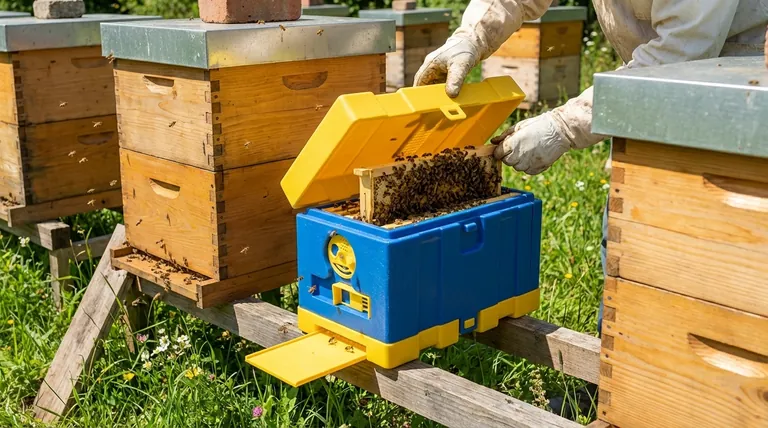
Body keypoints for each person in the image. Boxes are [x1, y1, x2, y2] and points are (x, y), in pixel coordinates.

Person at [414, 0, 768, 418]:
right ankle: (615, 386)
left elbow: (678, 55)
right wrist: (471, 35)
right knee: (629, 249)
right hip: (659, 91)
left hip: (743, 90)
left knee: (725, 277)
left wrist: (565, 126)